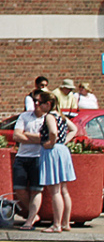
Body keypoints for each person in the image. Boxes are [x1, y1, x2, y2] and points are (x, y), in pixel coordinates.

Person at [38, 90, 77, 233]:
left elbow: (53, 132)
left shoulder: (49, 117)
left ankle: (56, 225)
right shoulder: (62, 116)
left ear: (48, 104)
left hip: (52, 152)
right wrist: (63, 142)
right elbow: (74, 129)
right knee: (64, 190)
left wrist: (51, 143)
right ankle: (66, 223)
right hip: (63, 151)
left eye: (40, 103)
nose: (38, 105)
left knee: (55, 191)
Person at [10, 94, 47, 229]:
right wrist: (37, 138)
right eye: (35, 101)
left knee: (36, 190)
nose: (36, 103)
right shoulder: (24, 116)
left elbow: (45, 139)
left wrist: (26, 135)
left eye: (39, 101)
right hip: (22, 156)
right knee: (19, 189)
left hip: (38, 157)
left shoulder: (48, 118)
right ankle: (33, 213)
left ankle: (30, 220)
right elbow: (16, 136)